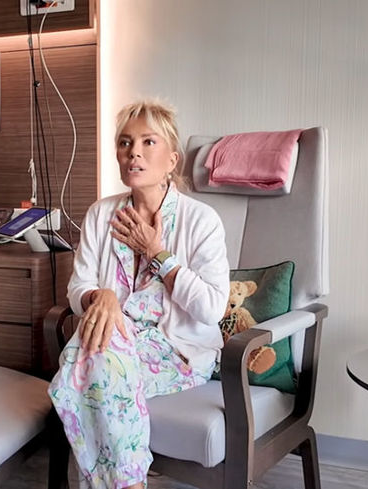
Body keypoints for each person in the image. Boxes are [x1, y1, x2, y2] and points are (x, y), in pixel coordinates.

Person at [48, 100, 230, 489]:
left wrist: (158, 254)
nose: (134, 152)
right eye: (125, 143)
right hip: (113, 341)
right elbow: (78, 287)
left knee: (81, 373)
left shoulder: (202, 221)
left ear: (172, 160)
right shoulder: (101, 214)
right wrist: (101, 297)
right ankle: (131, 483)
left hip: (179, 351)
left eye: (149, 142)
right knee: (99, 359)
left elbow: (212, 308)